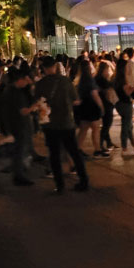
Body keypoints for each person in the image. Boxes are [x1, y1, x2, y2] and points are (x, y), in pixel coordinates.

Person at [34, 56, 89, 194]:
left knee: (54, 154)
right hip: (66, 122)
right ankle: (83, 180)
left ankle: (60, 185)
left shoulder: (41, 84)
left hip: (50, 124)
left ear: (44, 68)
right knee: (74, 153)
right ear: (55, 66)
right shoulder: (65, 82)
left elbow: (37, 103)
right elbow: (76, 100)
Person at [3, 67, 36, 185]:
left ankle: (16, 169)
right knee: (20, 149)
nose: (27, 82)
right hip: (19, 124)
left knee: (18, 148)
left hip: (13, 124)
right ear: (19, 80)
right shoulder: (16, 93)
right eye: (25, 80)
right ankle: (18, 175)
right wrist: (34, 106)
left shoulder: (9, 90)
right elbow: (23, 111)